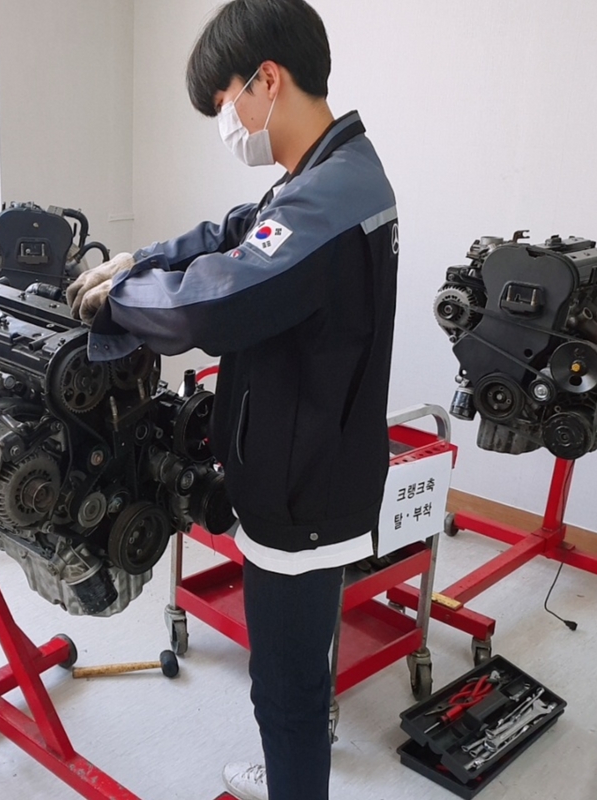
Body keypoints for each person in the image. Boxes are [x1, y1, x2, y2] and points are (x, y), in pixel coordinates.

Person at [67, 1, 398, 797]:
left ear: (266, 80)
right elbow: (237, 232)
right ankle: (291, 774)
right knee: (293, 679)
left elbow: (213, 306)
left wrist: (120, 302)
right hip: (311, 464)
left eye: (225, 103)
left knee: (285, 693)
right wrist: (141, 259)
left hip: (302, 491)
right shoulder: (329, 174)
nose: (228, 123)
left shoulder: (330, 196)